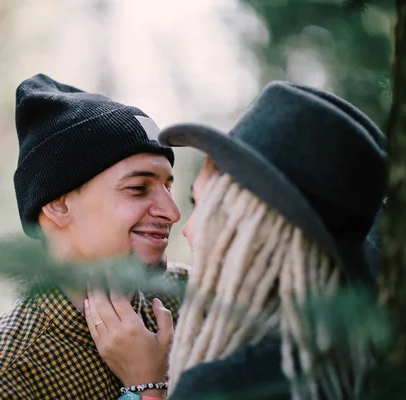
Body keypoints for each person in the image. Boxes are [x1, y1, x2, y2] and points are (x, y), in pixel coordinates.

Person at [85, 81, 386, 400]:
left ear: (248, 223)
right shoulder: (356, 352)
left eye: (200, 204)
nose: (183, 226)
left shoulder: (229, 384)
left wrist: (147, 386)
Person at [0, 74, 188, 399]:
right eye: (138, 188)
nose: (173, 212)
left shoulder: (197, 302)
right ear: (57, 204)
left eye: (168, 186)